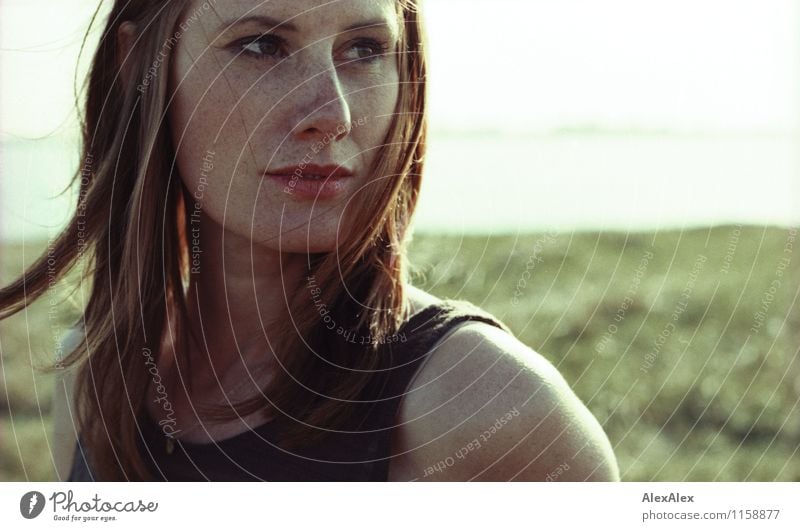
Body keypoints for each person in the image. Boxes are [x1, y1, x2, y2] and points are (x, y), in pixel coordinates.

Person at [0, 0, 620, 481]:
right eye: (263, 44)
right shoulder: (94, 372)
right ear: (143, 70)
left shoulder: (488, 408)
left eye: (365, 48)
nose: (335, 114)